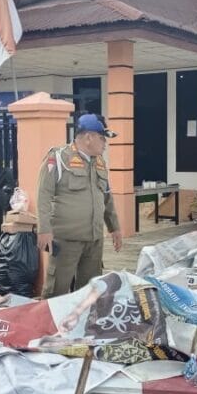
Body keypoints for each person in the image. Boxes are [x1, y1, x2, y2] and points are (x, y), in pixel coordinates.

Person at [36, 113, 123, 299]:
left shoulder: (100, 163)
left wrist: (114, 228)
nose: (105, 143)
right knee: (57, 291)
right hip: (66, 240)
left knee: (90, 292)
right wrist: (44, 230)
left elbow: (107, 197)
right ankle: (50, 319)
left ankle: (83, 318)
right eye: (102, 138)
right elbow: (43, 195)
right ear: (89, 137)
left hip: (94, 240)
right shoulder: (58, 158)